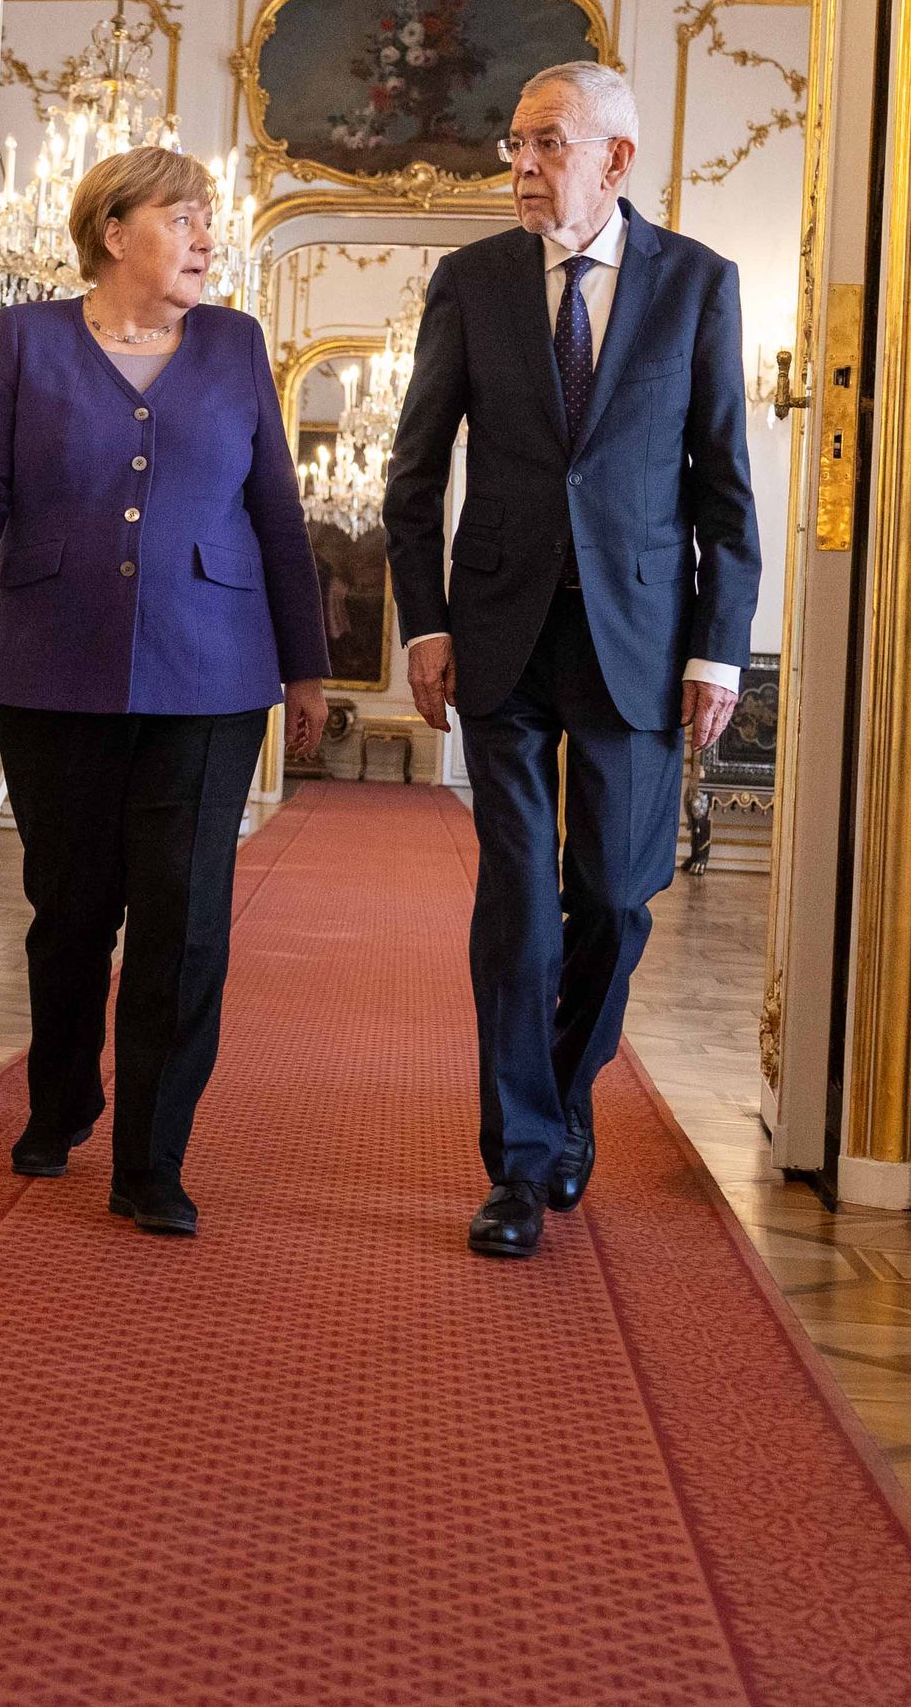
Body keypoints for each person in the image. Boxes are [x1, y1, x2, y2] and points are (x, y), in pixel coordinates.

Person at [383, 61, 760, 1260]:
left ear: (616, 158)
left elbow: (723, 488)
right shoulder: (472, 282)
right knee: (516, 904)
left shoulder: (698, 285)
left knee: (608, 895)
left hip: (641, 642)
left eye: (547, 142)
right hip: (496, 633)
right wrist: (425, 621)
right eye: (515, 143)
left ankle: (562, 1086)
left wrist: (720, 649)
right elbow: (412, 472)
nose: (523, 165)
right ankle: (519, 1162)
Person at [0, 145, 325, 1239]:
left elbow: (278, 516)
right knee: (70, 911)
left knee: (185, 920)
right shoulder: (27, 340)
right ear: (114, 232)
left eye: (209, 222)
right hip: (54, 664)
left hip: (214, 674)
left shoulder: (238, 344)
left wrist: (308, 665)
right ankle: (62, 1095)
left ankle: (153, 1159)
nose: (207, 238)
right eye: (184, 218)